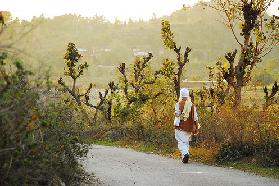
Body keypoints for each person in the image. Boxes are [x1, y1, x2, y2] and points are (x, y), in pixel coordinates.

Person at [174, 88, 198, 163]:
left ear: (181, 95)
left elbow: (177, 114)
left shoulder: (178, 104)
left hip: (180, 126)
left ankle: (185, 154)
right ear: (187, 95)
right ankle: (185, 156)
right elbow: (195, 118)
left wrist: (176, 114)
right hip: (189, 127)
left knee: (181, 141)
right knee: (186, 141)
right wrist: (196, 126)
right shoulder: (192, 105)